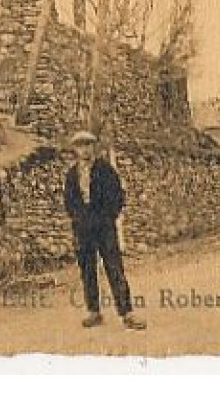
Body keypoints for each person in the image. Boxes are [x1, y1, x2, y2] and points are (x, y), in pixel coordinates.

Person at [62, 130, 146, 330]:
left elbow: (117, 196)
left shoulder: (105, 170)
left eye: (88, 145)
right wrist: (78, 220)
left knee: (114, 268)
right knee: (88, 270)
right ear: (75, 149)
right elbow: (69, 202)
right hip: (83, 230)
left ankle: (127, 313)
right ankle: (94, 312)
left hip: (104, 227)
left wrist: (107, 218)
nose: (85, 150)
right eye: (80, 146)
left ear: (94, 147)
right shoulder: (72, 175)